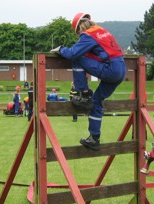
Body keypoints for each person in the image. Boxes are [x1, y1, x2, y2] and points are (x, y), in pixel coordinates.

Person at [50, 12, 126, 151]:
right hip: (121, 69)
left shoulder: (88, 35)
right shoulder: (103, 32)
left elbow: (73, 53)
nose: (79, 36)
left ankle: (83, 92)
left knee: (76, 58)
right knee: (96, 101)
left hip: (111, 69)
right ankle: (94, 138)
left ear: (79, 28)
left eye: (78, 33)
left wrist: (60, 49)